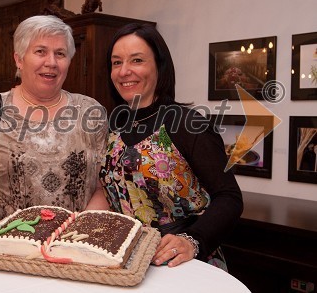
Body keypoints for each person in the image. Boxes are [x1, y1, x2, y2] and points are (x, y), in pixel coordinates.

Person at [0, 15, 109, 244]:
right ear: (19, 59)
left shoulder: (91, 112)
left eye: (60, 53)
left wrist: (78, 234)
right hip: (8, 250)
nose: (51, 62)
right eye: (40, 51)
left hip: (74, 250)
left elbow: (104, 188)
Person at [99, 23, 243, 270]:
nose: (124, 71)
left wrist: (192, 240)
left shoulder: (187, 123)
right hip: (129, 259)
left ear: (159, 66)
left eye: (136, 60)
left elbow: (229, 198)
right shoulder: (113, 124)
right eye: (116, 62)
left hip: (183, 261)